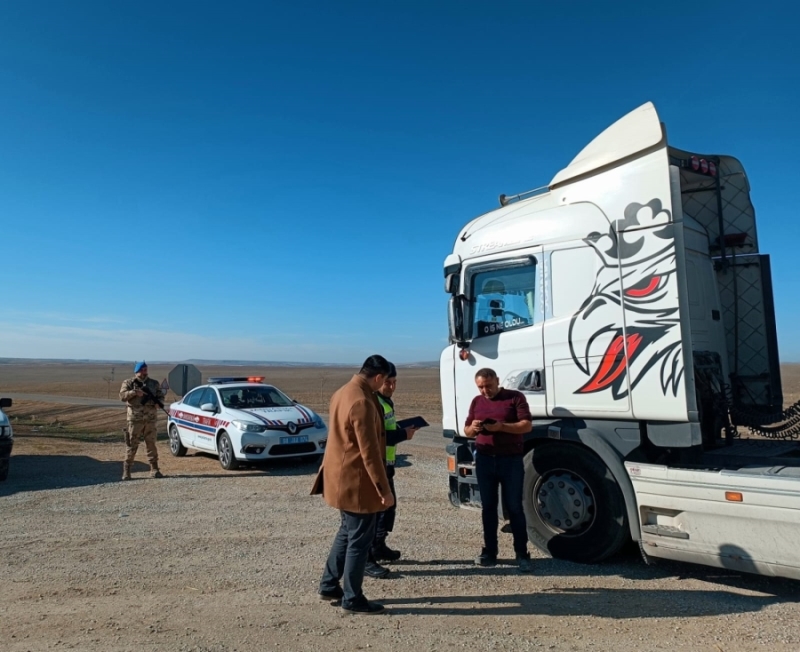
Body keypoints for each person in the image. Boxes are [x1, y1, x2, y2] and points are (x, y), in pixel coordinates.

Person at [313, 355, 395, 615]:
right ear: (379, 377)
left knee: (347, 533)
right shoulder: (361, 400)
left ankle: (328, 585)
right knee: (359, 540)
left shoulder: (343, 392)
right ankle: (352, 598)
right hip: (357, 482)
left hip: (341, 478)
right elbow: (369, 452)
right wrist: (384, 490)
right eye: (384, 381)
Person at [463, 367, 535, 572]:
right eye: (480, 387)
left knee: (514, 507)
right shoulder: (477, 402)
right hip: (485, 460)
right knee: (488, 508)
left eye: (488, 385)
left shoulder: (514, 397)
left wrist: (501, 427)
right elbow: (466, 430)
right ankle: (490, 552)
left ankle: (522, 554)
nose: (485, 391)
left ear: (497, 380)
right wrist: (474, 428)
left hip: (510, 460)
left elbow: (526, 426)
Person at [364, 362, 420, 579]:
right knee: (375, 511)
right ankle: (368, 557)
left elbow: (385, 430)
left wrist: (399, 430)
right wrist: (402, 435)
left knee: (388, 509)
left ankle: (379, 545)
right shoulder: (373, 402)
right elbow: (375, 437)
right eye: (388, 382)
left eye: (395, 382)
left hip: (387, 463)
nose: (392, 386)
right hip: (376, 464)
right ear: (378, 380)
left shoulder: (386, 402)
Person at [119, 361, 165, 480]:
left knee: (151, 444)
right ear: (137, 371)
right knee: (132, 445)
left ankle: (154, 469)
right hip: (135, 419)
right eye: (142, 370)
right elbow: (122, 396)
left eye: (146, 370)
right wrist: (134, 392)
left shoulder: (154, 383)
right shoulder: (128, 383)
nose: (144, 372)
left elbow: (160, 396)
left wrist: (159, 403)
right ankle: (127, 470)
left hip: (150, 419)